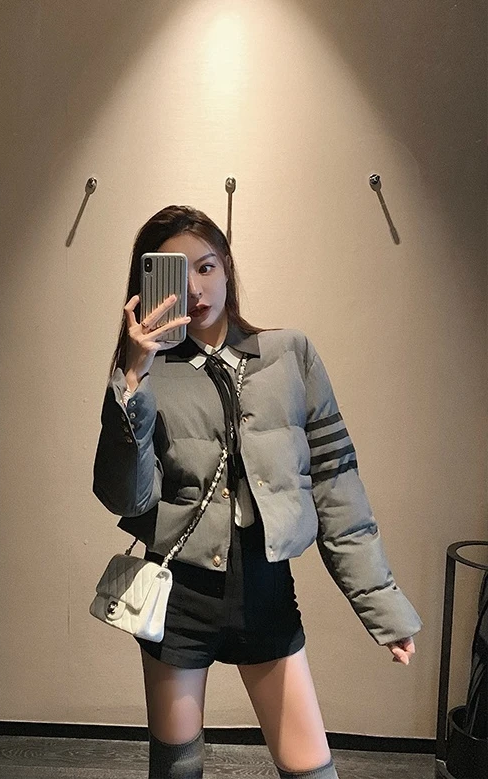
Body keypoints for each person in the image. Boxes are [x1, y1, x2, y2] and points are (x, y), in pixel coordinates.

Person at [93, 205, 422, 779]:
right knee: (177, 768)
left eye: (206, 267)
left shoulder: (291, 354)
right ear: (149, 287)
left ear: (227, 267)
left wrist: (382, 606)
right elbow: (128, 499)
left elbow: (337, 485)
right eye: (176, 275)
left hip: (266, 590)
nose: (195, 290)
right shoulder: (145, 375)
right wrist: (132, 378)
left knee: (311, 769)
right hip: (180, 596)